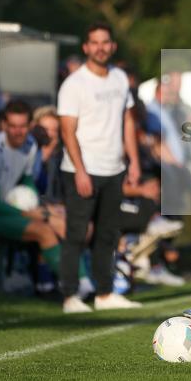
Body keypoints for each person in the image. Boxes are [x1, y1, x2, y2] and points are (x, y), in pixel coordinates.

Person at [58, 23, 142, 313]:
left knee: (108, 235)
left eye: (105, 42)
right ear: (86, 47)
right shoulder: (74, 84)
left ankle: (104, 294)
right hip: (83, 169)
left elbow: (127, 121)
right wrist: (80, 170)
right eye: (94, 43)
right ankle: (70, 296)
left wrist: (133, 161)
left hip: (114, 168)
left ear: (112, 46)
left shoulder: (119, 78)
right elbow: (67, 131)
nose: (100, 47)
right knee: (77, 234)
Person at [0, 100, 66, 275]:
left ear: (30, 125)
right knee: (44, 230)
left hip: (6, 208)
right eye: (12, 126)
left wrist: (37, 206)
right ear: (4, 124)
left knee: (65, 224)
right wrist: (31, 212)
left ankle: (86, 284)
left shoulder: (31, 146)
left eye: (23, 126)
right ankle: (64, 285)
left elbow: (28, 182)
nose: (18, 132)